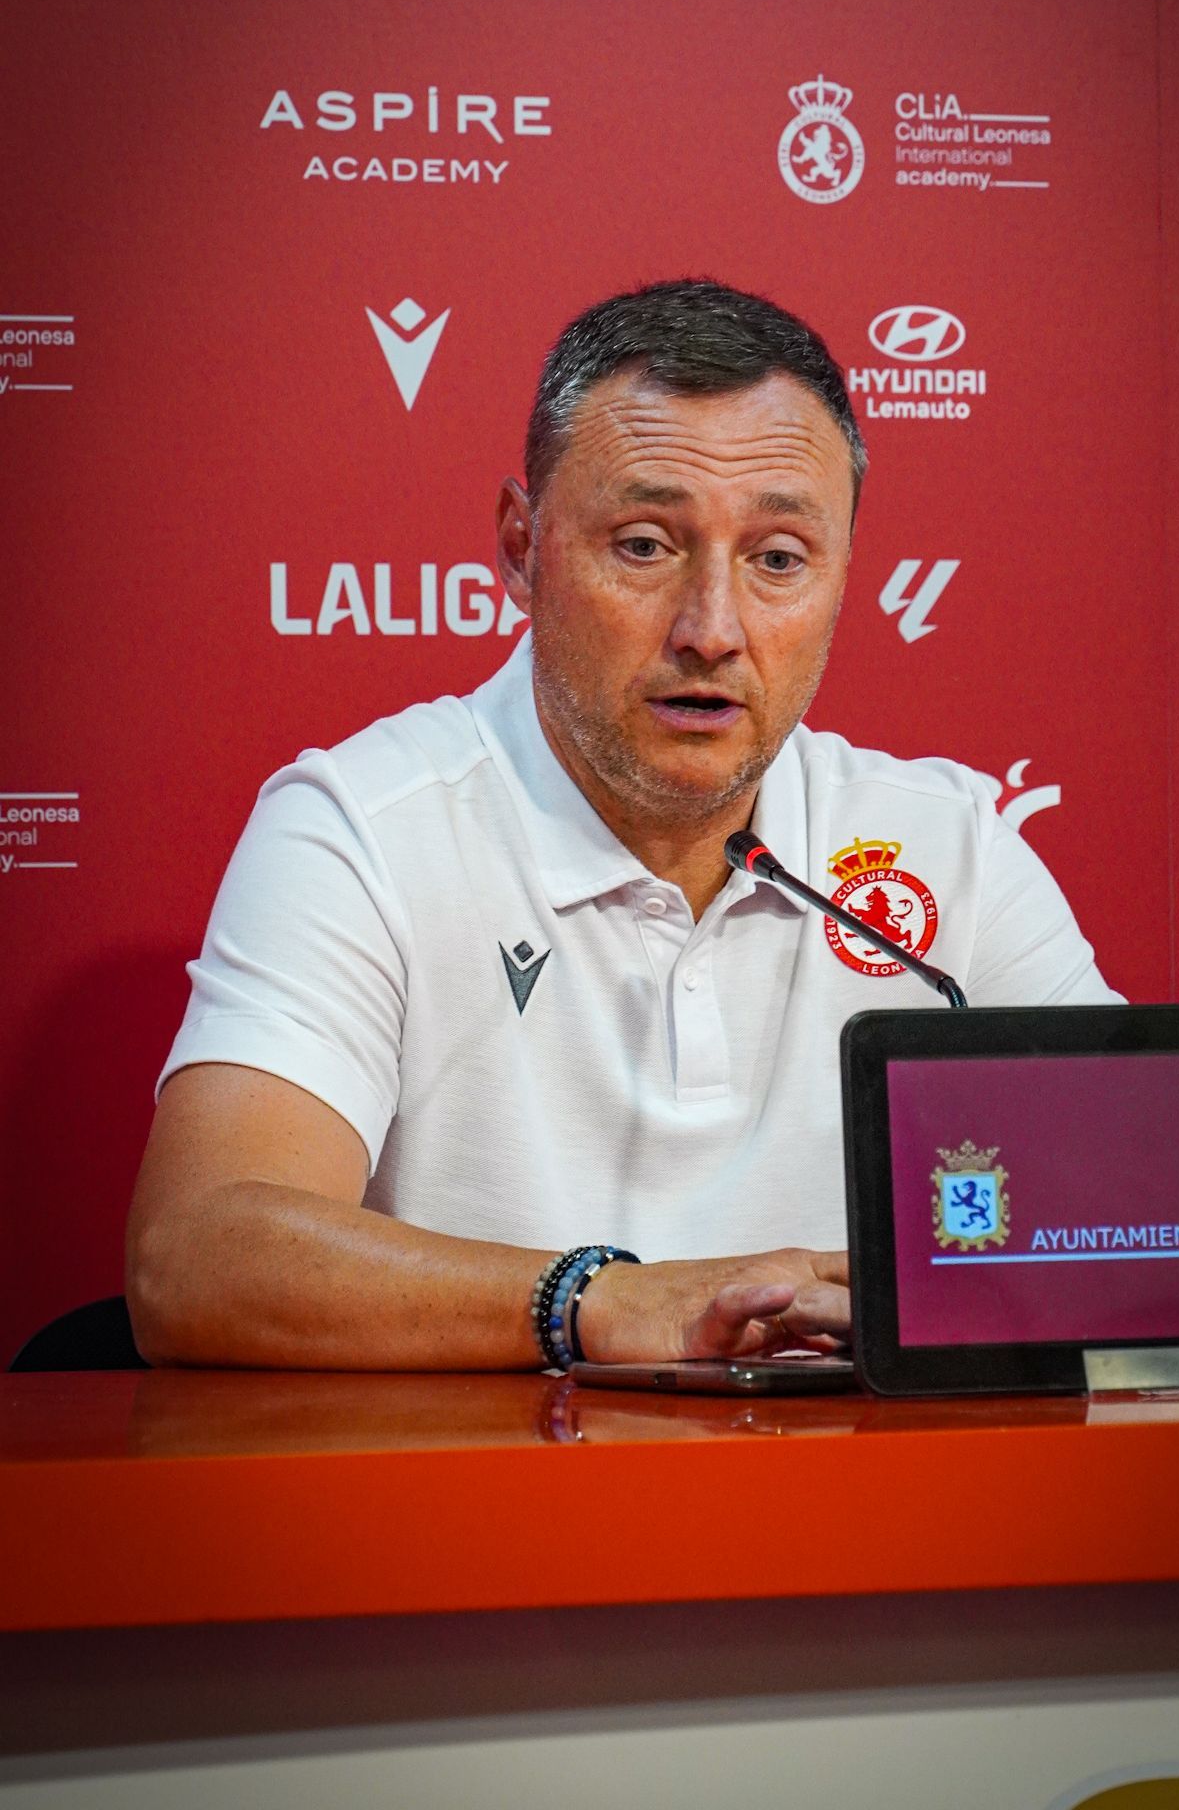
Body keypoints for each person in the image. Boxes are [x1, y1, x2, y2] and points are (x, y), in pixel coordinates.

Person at [126, 279, 1120, 1371]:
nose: (713, 629)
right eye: (645, 545)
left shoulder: (951, 846)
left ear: (842, 576)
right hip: (486, 1520)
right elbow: (198, 1253)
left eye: (778, 558)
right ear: (521, 545)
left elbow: (1151, 1207)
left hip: (869, 1514)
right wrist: (599, 1299)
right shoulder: (365, 826)